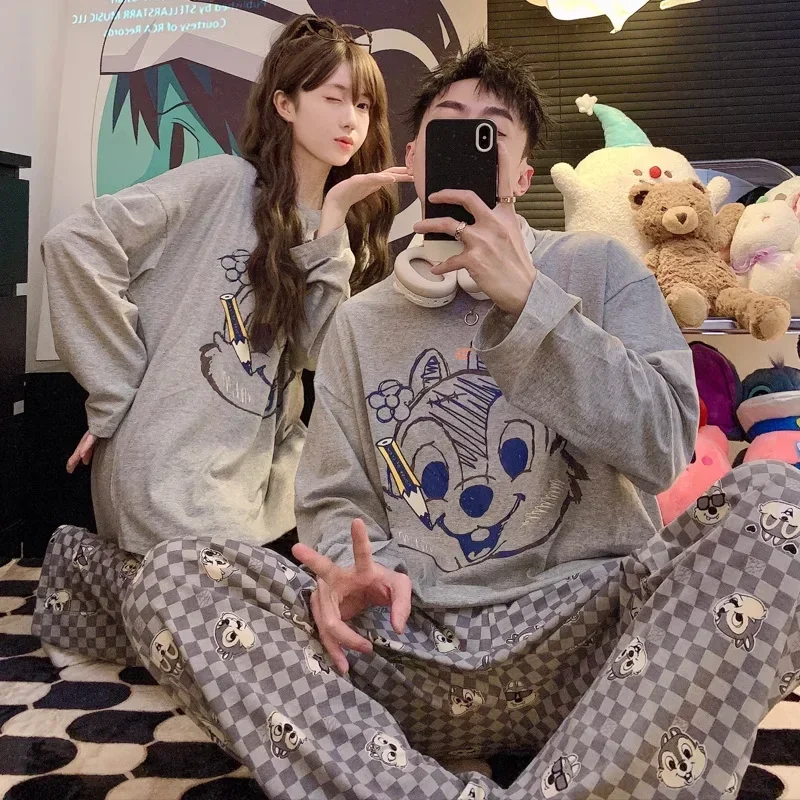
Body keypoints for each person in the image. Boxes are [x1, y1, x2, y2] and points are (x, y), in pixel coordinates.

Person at [39, 44, 800, 800]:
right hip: (408, 644)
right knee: (175, 576)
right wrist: (352, 571)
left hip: (595, 649)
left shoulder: (599, 269)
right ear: (413, 158)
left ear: (522, 174)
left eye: (490, 131)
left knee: (777, 502)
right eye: (447, 126)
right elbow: (334, 498)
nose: (467, 142)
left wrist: (532, 303)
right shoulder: (360, 322)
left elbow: (664, 449)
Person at [41, 15, 409, 554]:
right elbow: (74, 244)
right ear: (285, 105)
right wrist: (115, 394)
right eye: (333, 98)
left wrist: (333, 219)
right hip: (173, 476)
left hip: (251, 484)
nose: (351, 119)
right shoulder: (221, 184)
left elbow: (316, 355)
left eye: (363, 105)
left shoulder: (336, 225)